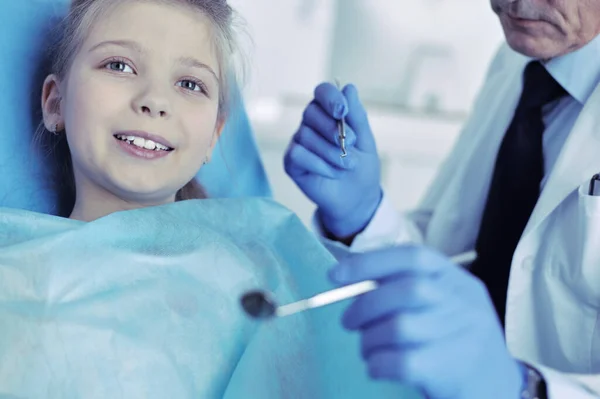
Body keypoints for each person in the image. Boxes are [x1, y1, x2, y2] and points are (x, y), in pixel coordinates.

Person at [0, 1, 410, 397]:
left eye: (189, 84)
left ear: (214, 135)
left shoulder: (266, 273)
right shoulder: (13, 275)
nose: (155, 102)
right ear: (55, 102)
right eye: (119, 65)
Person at [284, 0, 600, 398]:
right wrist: (362, 216)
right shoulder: (516, 63)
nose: (517, 3)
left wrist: (524, 388)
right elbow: (450, 257)